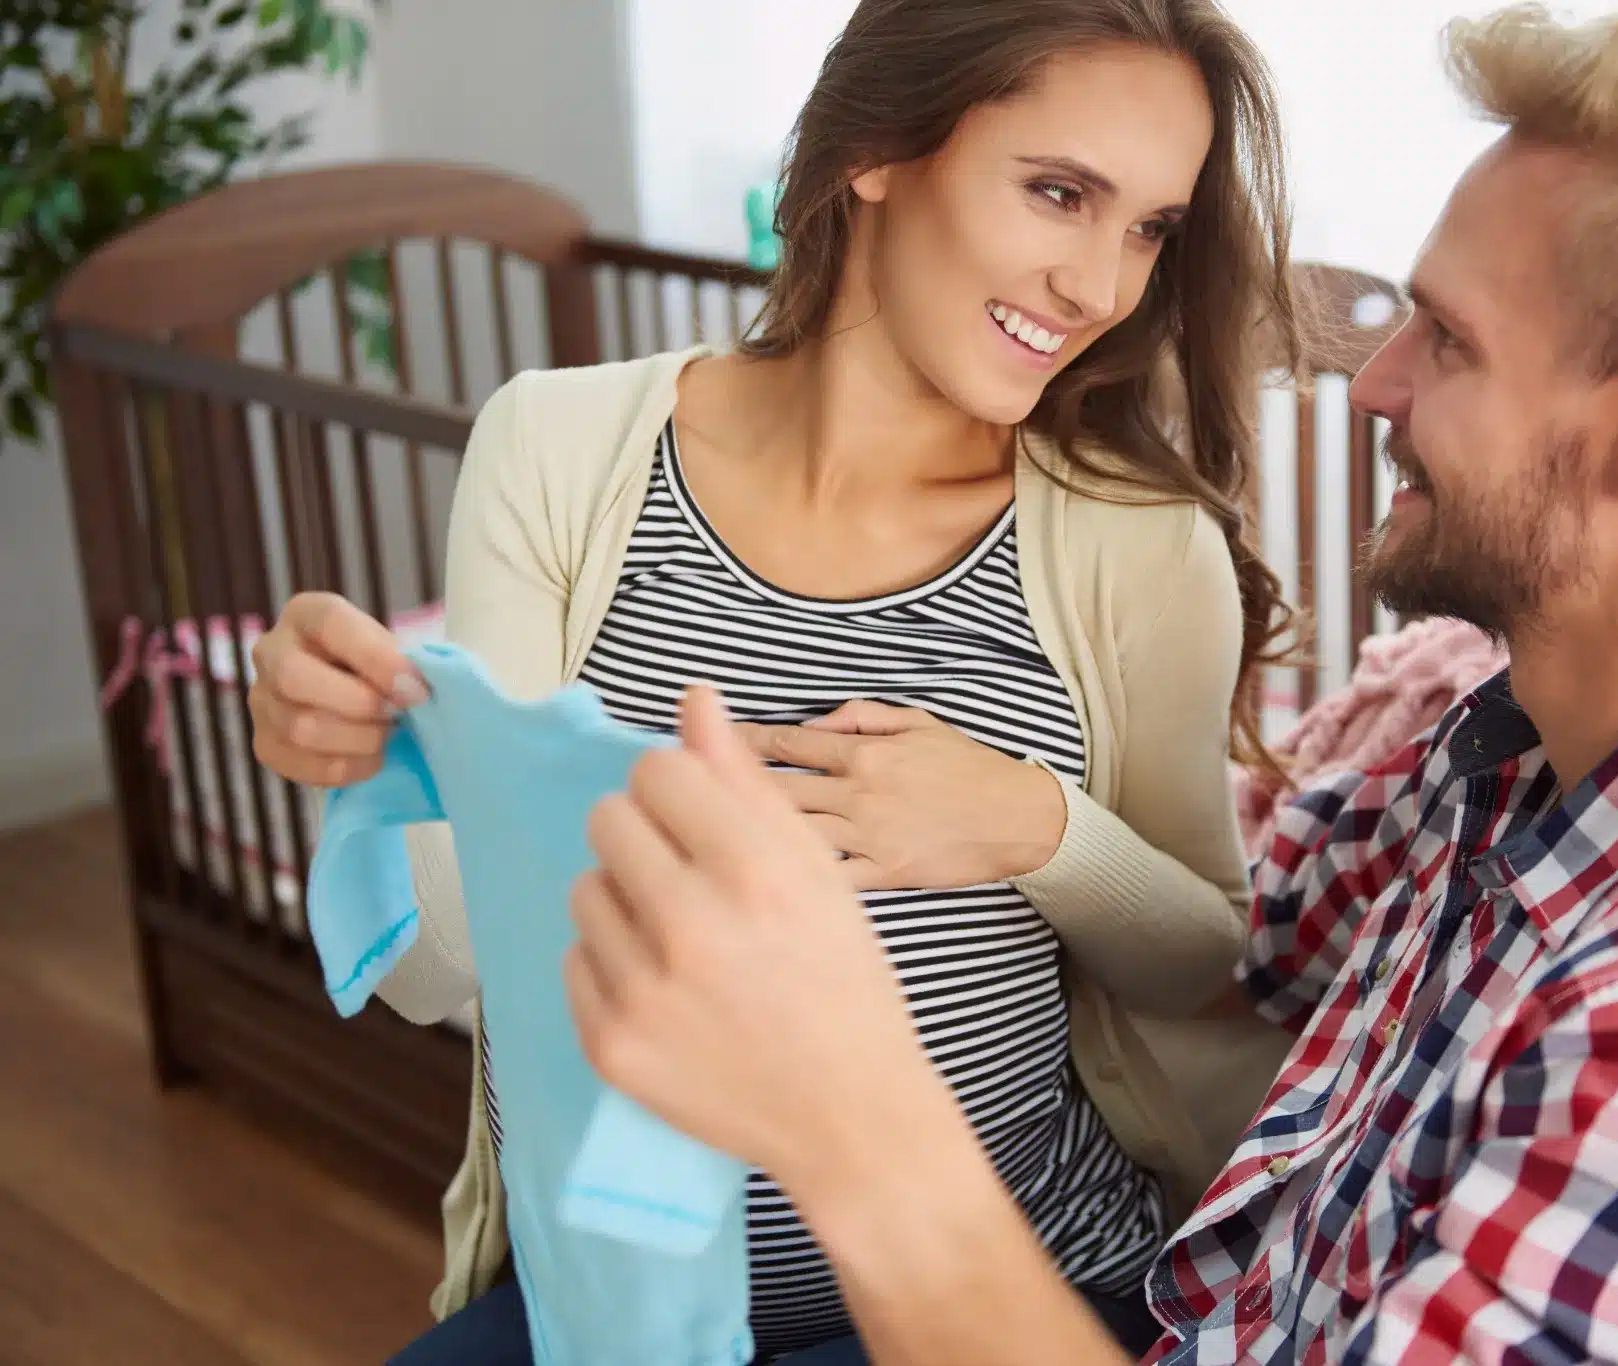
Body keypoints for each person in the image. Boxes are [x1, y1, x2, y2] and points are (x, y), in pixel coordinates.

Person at [558, 6, 1618, 1364]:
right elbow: (1250, 937)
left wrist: (850, 1117)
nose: (1374, 379)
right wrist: (1022, 820)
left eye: (1447, 340)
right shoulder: (1523, 750)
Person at [246, 1, 1310, 1361]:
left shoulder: (1134, 545)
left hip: (1003, 1295)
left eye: (1150, 228)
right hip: (612, 1311)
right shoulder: (558, 450)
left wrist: (1033, 826)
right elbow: (438, 969)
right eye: (1059, 194)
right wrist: (373, 762)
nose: (1101, 286)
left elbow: (1206, 954)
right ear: (876, 146)